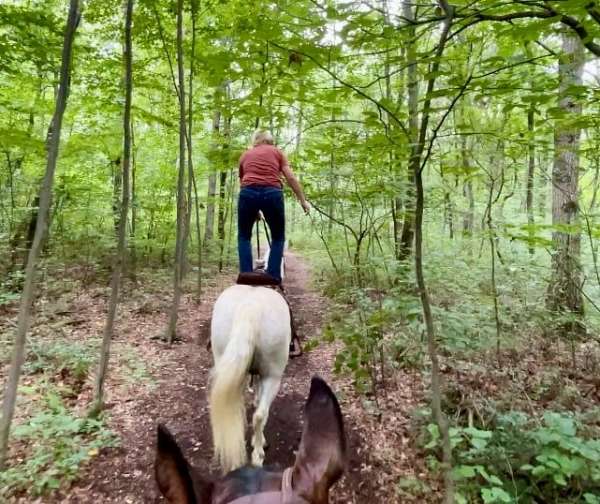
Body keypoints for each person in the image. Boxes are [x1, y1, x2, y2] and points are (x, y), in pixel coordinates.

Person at [237, 130, 309, 284]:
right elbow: (290, 177)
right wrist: (302, 200)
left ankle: (246, 274)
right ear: (270, 140)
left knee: (244, 236)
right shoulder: (278, 153)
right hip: (272, 193)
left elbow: (243, 181)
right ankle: (273, 275)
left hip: (247, 193)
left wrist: (254, 209)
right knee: (278, 237)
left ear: (256, 140)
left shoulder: (245, 155)